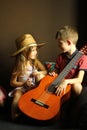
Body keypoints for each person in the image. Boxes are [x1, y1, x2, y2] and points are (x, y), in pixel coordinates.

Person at [49, 25, 87, 128]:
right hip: (60, 83)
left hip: (72, 85)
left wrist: (66, 82)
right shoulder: (60, 57)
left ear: (69, 42)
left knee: (77, 86)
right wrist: (54, 74)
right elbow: (56, 72)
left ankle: (72, 109)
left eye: (60, 43)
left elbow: (79, 79)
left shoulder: (82, 58)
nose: (58, 46)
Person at [9, 34, 47, 121]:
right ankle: (14, 115)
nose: (36, 52)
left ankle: (32, 113)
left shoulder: (35, 62)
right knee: (17, 94)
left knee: (34, 96)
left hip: (33, 87)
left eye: (36, 50)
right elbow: (12, 82)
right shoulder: (19, 65)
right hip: (21, 87)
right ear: (25, 51)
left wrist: (38, 72)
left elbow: (45, 71)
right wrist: (24, 83)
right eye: (33, 50)